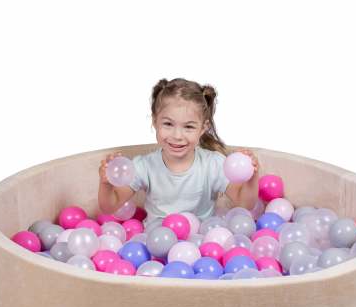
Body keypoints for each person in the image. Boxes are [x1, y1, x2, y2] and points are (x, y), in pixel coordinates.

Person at [98, 77, 260, 225]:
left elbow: (244, 203)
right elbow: (109, 207)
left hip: (202, 241)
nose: (177, 136)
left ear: (203, 127)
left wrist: (251, 177)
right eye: (168, 124)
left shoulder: (213, 164)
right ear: (154, 121)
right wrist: (106, 184)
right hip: (157, 240)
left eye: (188, 126)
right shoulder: (144, 166)